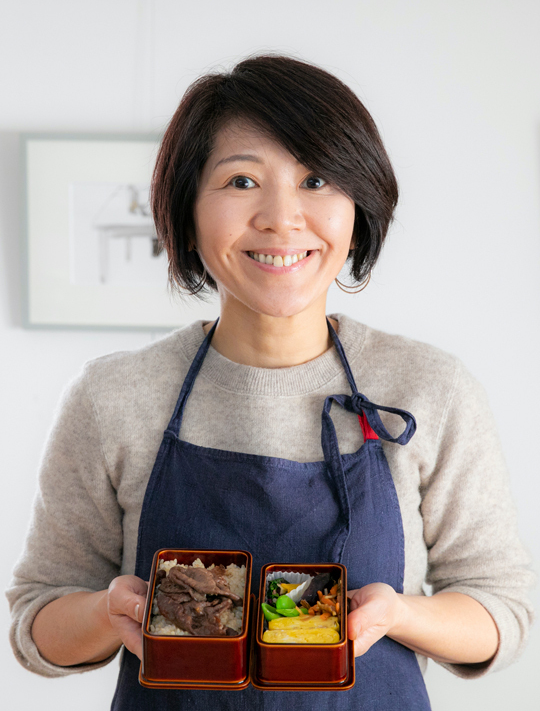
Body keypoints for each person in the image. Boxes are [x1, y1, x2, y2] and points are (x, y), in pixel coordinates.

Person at [7, 53, 535, 710]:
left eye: (316, 180)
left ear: (357, 208)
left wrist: (392, 615)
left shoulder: (431, 388)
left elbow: (501, 610)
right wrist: (108, 612)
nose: (283, 219)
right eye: (241, 181)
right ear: (188, 210)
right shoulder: (113, 397)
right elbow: (36, 624)